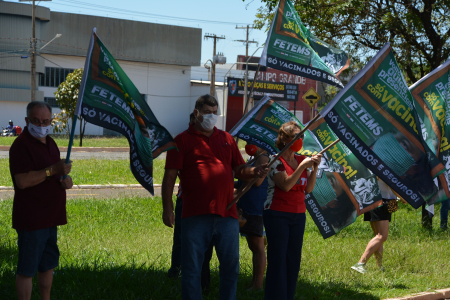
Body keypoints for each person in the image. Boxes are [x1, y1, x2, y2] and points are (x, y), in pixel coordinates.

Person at [162, 94, 268, 300]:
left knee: (231, 269)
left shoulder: (227, 139)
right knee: (192, 270)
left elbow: (239, 169)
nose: (211, 116)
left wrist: (255, 171)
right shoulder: (181, 140)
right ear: (196, 113)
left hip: (227, 214)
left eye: (214, 113)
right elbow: (169, 178)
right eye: (207, 112)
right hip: (194, 216)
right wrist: (167, 208)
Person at [9, 101, 73, 300]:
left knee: (48, 265)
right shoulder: (21, 146)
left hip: (51, 217)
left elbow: (54, 175)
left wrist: (65, 180)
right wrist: (52, 170)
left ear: (51, 121)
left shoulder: (51, 143)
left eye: (46, 121)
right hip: (32, 219)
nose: (41, 125)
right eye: (36, 121)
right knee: (27, 270)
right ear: (27, 120)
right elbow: (22, 181)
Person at [263, 121, 322, 300]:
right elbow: (286, 185)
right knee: (278, 259)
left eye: (302, 136)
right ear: (284, 139)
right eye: (297, 136)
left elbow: (309, 189)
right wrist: (303, 166)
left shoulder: (299, 159)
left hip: (298, 215)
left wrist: (314, 167)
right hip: (277, 214)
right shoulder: (275, 160)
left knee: (293, 260)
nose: (300, 140)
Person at [167, 113, 214, 292]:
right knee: (181, 239)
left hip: (208, 204)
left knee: (205, 245)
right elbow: (172, 174)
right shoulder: (183, 141)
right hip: (185, 200)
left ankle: (204, 281)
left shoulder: (213, 142)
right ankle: (176, 270)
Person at [235, 143, 270, 291]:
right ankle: (254, 282)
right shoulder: (253, 158)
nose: (249, 145)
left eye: (252, 143)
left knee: (258, 247)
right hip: (248, 206)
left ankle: (258, 285)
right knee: (253, 245)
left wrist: (244, 173)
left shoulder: (263, 158)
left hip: (256, 207)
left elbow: (258, 181)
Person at [351, 179, 395, 274]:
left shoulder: (374, 166)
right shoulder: (383, 167)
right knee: (382, 236)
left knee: (378, 236)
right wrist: (403, 198)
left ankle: (379, 267)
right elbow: (392, 185)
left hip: (371, 200)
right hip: (382, 202)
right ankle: (361, 263)